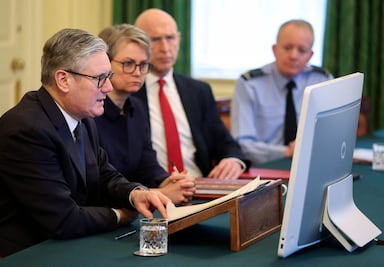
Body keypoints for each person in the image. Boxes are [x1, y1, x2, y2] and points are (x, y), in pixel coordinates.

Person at [0, 28, 170, 257]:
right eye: (100, 78)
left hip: (61, 238)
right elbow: (63, 219)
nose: (108, 88)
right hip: (22, 251)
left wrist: (135, 193)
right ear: (63, 80)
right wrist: (121, 214)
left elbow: (103, 174)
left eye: (109, 77)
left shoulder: (81, 117)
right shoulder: (26, 128)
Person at [133, 8, 250, 179]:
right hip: (153, 191)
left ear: (179, 40)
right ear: (139, 44)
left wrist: (232, 160)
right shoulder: (128, 93)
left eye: (170, 38)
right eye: (155, 40)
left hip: (199, 186)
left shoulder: (198, 91)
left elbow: (226, 143)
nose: (165, 48)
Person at [95, 24, 196, 204]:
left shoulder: (137, 107)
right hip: (108, 208)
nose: (137, 73)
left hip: (138, 201)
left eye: (143, 65)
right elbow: (100, 180)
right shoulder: (91, 112)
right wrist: (156, 193)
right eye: (128, 64)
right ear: (105, 63)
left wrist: (168, 181)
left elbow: (146, 162)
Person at [231, 19, 333, 164]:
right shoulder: (249, 84)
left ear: (310, 55)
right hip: (264, 167)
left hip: (310, 163)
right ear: (274, 49)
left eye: (302, 50)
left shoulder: (322, 80)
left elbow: (330, 134)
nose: (293, 56)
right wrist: (287, 152)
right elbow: (243, 144)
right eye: (287, 48)